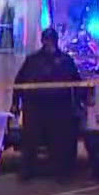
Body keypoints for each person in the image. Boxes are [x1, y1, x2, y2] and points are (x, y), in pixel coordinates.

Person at [13, 27, 84, 181]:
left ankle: (62, 173)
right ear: (43, 41)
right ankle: (27, 171)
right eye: (46, 40)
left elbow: (76, 83)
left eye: (51, 40)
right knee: (30, 141)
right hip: (35, 107)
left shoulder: (65, 61)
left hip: (59, 108)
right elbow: (19, 82)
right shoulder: (33, 60)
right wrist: (15, 103)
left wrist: (79, 104)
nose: (49, 43)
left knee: (60, 142)